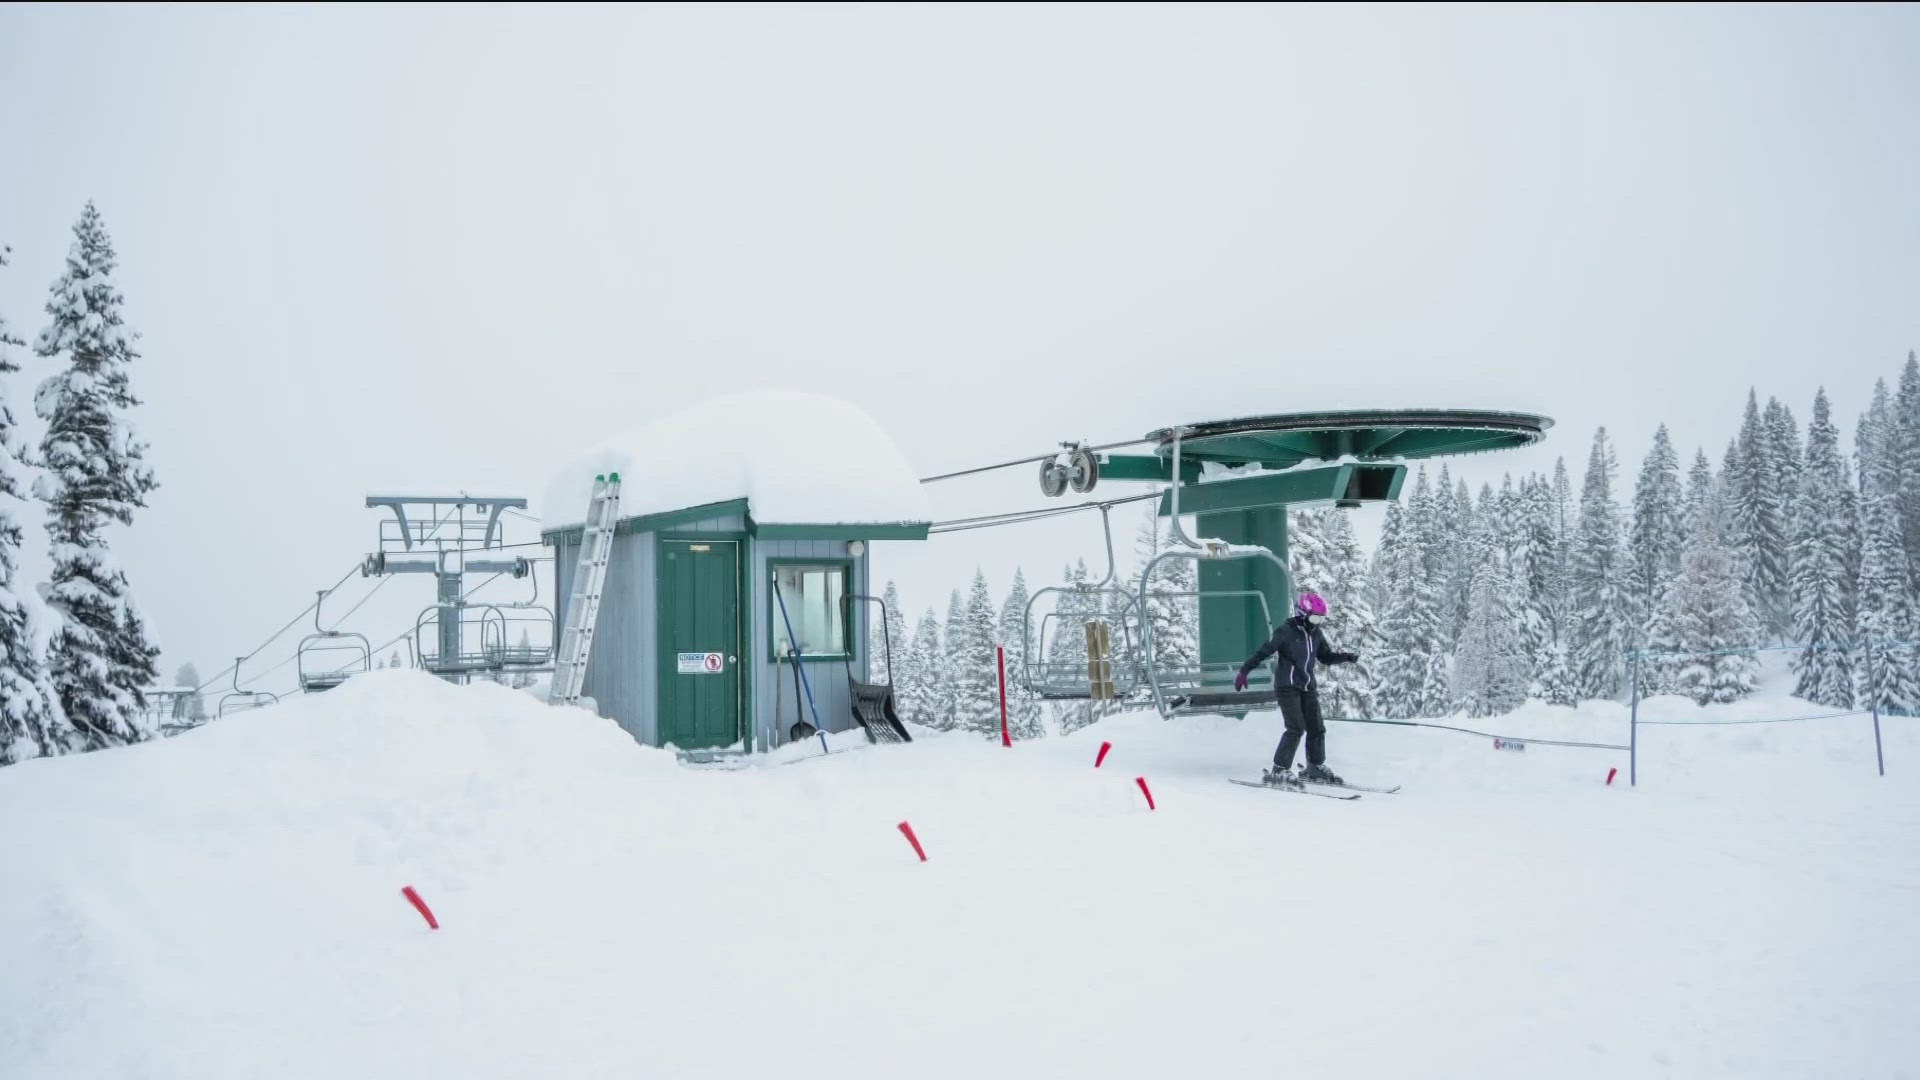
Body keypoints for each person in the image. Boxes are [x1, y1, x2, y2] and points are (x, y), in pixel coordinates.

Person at [1232, 591, 1359, 786]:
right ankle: (1279, 769)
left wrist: (1345, 657)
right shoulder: (1287, 631)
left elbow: (1324, 657)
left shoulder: (1315, 633)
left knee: (1317, 728)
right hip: (1287, 687)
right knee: (1295, 728)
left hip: (1307, 687)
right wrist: (1244, 671)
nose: (1317, 622)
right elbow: (1264, 651)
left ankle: (1315, 767)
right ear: (1302, 613)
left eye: (1321, 618)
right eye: (1315, 617)